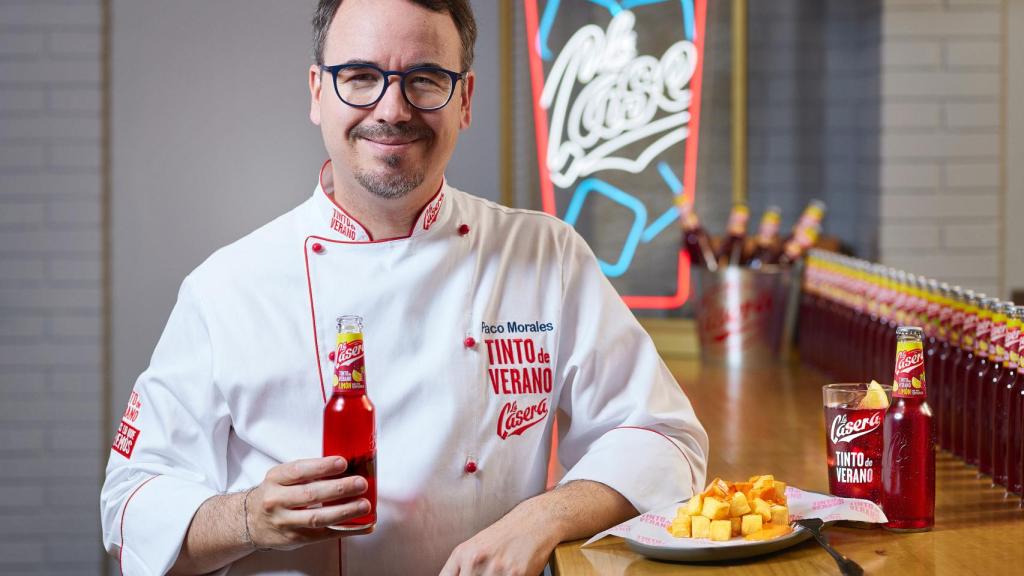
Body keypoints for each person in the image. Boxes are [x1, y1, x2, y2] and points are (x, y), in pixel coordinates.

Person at [100, 0, 708, 574]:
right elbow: (130, 501)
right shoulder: (226, 288)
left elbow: (665, 436)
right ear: (317, 92)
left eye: (424, 78)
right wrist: (250, 518)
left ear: (465, 99)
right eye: (360, 76)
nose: (392, 109)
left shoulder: (546, 256)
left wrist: (542, 516)